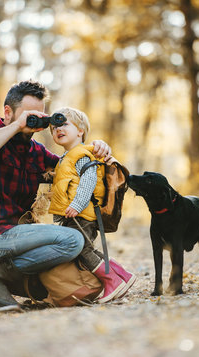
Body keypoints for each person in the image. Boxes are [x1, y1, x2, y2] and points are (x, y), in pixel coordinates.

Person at [0, 80, 112, 307]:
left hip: (18, 240)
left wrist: (96, 148)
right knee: (72, 240)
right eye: (28, 115)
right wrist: (18, 125)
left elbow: (71, 168)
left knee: (60, 260)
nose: (34, 121)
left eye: (39, 116)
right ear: (8, 112)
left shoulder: (35, 153)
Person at [48, 107, 136, 303]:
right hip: (75, 215)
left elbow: (89, 179)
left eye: (64, 124)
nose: (58, 130)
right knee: (87, 249)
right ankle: (122, 276)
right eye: (54, 128)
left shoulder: (81, 155)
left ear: (80, 131)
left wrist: (77, 205)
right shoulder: (67, 158)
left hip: (81, 214)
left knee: (82, 250)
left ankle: (112, 281)